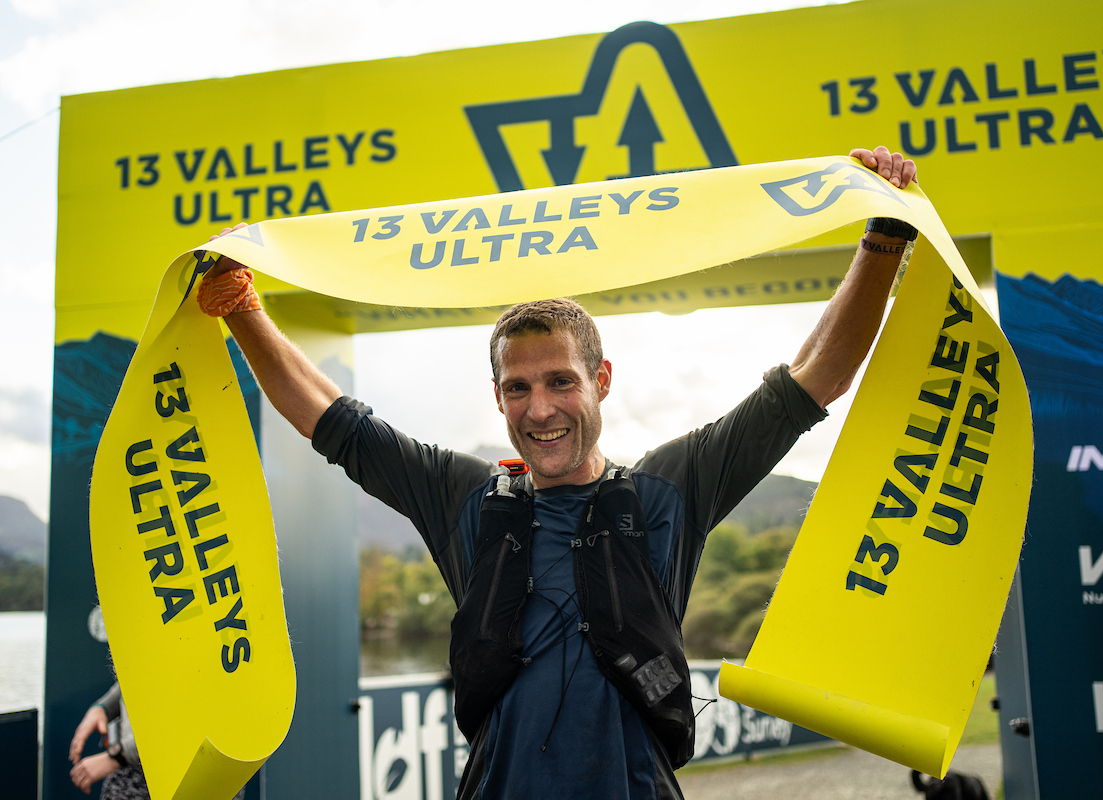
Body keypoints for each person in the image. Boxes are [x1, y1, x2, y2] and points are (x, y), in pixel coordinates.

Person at [200, 146, 918, 799]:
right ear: (498, 397)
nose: (540, 409)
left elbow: (815, 376)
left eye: (561, 382)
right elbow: (329, 418)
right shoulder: (466, 498)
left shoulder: (670, 489)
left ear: (600, 380)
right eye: (518, 388)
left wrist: (883, 239)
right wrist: (241, 306)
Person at [68, 681, 248, 798]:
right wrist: (104, 707)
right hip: (134, 773)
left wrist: (118, 756)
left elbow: (195, 710)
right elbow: (137, 672)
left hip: (196, 775)